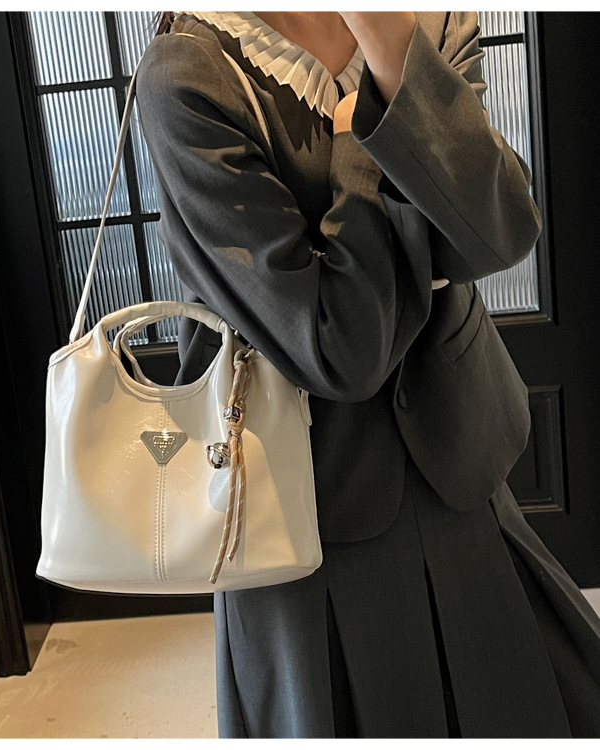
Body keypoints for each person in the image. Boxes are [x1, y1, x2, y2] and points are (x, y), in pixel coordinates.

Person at [136, 11, 600, 738]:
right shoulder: (191, 72)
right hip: (305, 510)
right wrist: (366, 139)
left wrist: (391, 49)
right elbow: (338, 347)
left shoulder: (428, 22)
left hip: (457, 462)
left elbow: (500, 232)